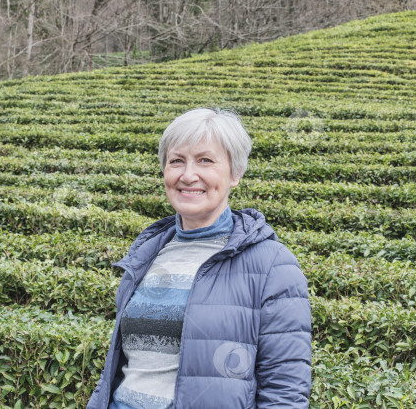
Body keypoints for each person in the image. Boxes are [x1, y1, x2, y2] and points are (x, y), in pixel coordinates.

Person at [87, 107, 312, 408]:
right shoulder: (148, 252)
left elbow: (285, 392)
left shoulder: (273, 265)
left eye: (205, 160)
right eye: (176, 161)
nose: (187, 175)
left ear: (235, 173)